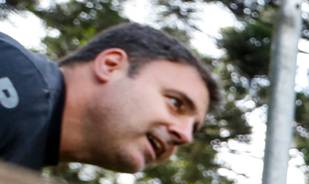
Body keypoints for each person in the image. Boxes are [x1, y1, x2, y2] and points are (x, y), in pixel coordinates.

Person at [0, 22, 219, 172]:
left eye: (192, 128)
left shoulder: (25, 162)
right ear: (111, 66)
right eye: (176, 103)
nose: (185, 137)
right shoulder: (13, 73)